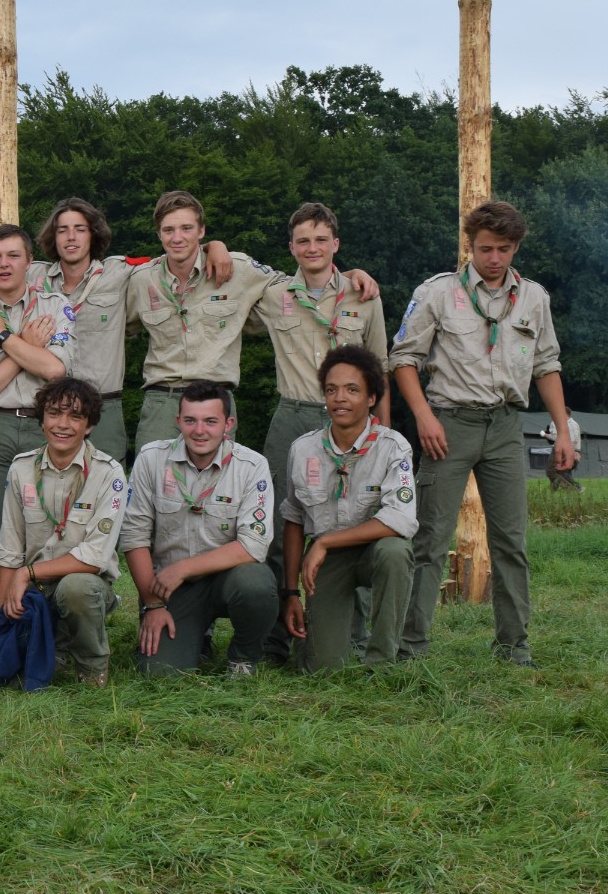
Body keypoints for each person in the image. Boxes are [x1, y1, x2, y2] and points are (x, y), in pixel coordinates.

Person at [390, 200, 572, 668]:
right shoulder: (436, 292)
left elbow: (546, 365)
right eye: (485, 249)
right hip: (449, 424)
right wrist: (424, 417)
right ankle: (411, 646)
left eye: (504, 249)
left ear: (516, 248)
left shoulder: (534, 297)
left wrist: (563, 431)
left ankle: (514, 646)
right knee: (430, 539)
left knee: (511, 541)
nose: (494, 258)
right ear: (469, 246)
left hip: (507, 426)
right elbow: (404, 358)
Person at [126, 190, 377, 451]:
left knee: (214, 485)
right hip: (161, 401)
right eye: (168, 230)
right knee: (152, 484)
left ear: (201, 231)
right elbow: (118, 324)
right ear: (158, 234)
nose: (177, 237)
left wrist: (349, 277)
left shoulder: (239, 269)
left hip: (216, 398)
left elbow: (298, 284)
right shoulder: (141, 279)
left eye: (186, 228)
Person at [253, 203, 388, 665]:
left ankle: (350, 635)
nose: (312, 248)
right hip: (292, 415)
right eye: (302, 241)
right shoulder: (271, 293)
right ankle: (275, 636)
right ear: (291, 247)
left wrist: (381, 431)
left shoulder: (363, 294)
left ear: (336, 244)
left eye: (321, 239)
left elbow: (380, 368)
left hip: (352, 420)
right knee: (276, 526)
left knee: (351, 523)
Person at [30, 197, 233, 460]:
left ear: (93, 235)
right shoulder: (32, 277)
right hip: (49, 406)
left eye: (80, 229)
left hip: (102, 405)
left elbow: (178, 253)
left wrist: (214, 247)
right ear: (52, 236)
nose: (71, 237)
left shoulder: (122, 272)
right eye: (62, 230)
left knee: (104, 490)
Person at [0, 223, 73, 632]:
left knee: (47, 536)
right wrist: (24, 347)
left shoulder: (55, 307)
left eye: (13, 256)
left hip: (45, 429)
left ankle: (46, 635)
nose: (4, 265)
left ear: (29, 261)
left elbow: (56, 371)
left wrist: (3, 337)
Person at [121, 381, 279, 677]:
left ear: (227, 424)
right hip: (171, 590)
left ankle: (243, 656)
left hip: (227, 579)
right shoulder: (151, 459)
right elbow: (133, 536)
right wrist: (153, 606)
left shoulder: (252, 465)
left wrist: (183, 568)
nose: (199, 430)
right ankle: (196, 636)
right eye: (190, 420)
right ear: (178, 421)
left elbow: (253, 544)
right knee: (159, 673)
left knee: (256, 583)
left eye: (210, 421)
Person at [278, 346, 416, 671]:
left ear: (371, 398)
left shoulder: (393, 447)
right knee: (322, 668)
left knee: (396, 552)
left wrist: (324, 542)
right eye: (331, 389)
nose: (340, 398)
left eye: (352, 389)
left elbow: (400, 520)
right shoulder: (303, 450)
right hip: (328, 562)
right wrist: (291, 593)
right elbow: (294, 520)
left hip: (373, 551)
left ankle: (381, 662)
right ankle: (337, 636)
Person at [0, 376, 128, 687]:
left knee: (76, 588)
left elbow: (94, 558)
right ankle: (55, 647)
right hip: (34, 590)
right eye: (54, 413)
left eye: (75, 416)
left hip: (85, 587)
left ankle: (92, 667)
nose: (62, 425)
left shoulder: (109, 473)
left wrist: (27, 573)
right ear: (42, 420)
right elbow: (10, 547)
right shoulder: (21, 468)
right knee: (10, 677)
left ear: (89, 426)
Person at [541, 415, 583, 492]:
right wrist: (577, 451)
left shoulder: (556, 421)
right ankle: (577, 487)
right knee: (564, 472)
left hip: (560, 447)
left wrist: (544, 434)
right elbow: (578, 438)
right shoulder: (575, 424)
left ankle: (572, 489)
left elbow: (554, 437)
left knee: (551, 472)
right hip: (572, 449)